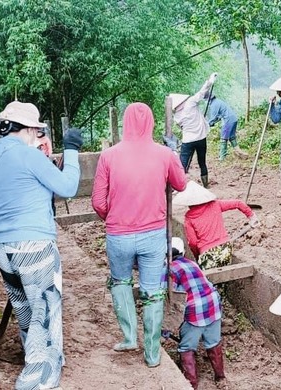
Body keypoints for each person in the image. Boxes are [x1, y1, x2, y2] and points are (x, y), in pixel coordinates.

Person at [91, 102, 187, 367]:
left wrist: (112, 218)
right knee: (153, 292)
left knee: (120, 282)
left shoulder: (109, 155)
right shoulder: (164, 154)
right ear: (152, 123)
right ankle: (153, 354)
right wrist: (174, 152)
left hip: (118, 235)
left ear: (125, 122)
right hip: (154, 235)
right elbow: (181, 183)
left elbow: (98, 201)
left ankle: (129, 336)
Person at [0, 101, 83, 389]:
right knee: (44, 310)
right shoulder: (28, 155)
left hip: (2, 248)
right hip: (34, 246)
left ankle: (37, 355)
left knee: (24, 307)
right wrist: (71, 150)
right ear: (32, 129)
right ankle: (37, 378)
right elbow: (68, 187)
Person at [169, 237, 225, 389]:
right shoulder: (192, 263)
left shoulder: (169, 270)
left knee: (186, 348)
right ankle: (220, 377)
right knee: (213, 342)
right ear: (182, 252)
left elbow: (170, 297)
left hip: (195, 311)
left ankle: (191, 384)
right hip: (213, 304)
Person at [173, 181, 259, 269]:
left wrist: (197, 255)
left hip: (207, 254)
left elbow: (193, 242)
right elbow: (238, 203)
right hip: (225, 250)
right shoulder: (215, 204)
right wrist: (251, 216)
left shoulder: (189, 217)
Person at [170, 72, 218, 188]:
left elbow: (181, 127)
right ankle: (205, 184)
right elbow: (202, 92)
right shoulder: (191, 102)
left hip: (187, 141)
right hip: (201, 138)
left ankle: (179, 185)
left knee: (183, 164)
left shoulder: (177, 116)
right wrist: (211, 80)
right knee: (202, 161)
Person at [205, 93, 249, 160]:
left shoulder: (214, 105)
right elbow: (218, 117)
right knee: (231, 137)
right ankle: (240, 153)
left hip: (228, 120)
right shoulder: (218, 101)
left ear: (208, 99)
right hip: (233, 119)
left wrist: (207, 124)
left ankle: (222, 157)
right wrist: (212, 122)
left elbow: (213, 118)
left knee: (223, 139)